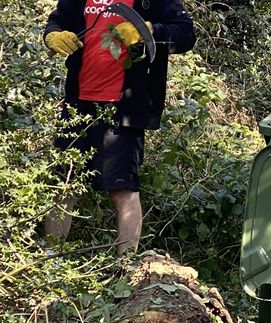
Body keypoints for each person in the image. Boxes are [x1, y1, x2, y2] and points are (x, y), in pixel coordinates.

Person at [43, 0, 196, 254]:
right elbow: (57, 20)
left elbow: (186, 33)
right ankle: (51, 256)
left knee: (123, 189)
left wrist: (147, 30)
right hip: (77, 105)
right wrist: (54, 36)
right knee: (62, 184)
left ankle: (125, 269)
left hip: (124, 108)